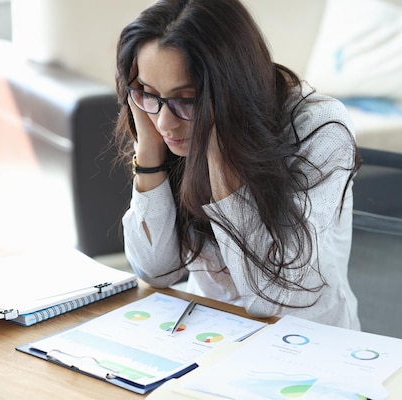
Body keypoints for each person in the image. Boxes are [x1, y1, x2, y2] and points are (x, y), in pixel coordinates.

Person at [113, 0, 362, 329]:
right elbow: (155, 272)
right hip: (207, 335)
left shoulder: (319, 128)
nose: (163, 123)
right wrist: (148, 149)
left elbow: (268, 299)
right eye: (147, 93)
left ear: (231, 89)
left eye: (186, 99)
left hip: (307, 341)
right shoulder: (162, 121)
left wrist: (219, 153)